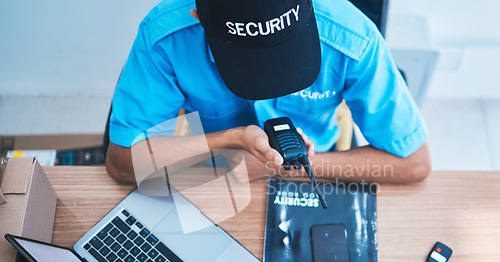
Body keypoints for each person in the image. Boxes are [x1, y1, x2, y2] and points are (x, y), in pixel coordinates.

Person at [106, 0, 431, 184]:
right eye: (246, 57)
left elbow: (415, 163)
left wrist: (292, 165)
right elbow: (121, 163)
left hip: (319, 168)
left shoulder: (352, 40)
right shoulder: (166, 36)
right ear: (198, 17)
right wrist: (231, 140)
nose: (267, 79)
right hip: (214, 172)